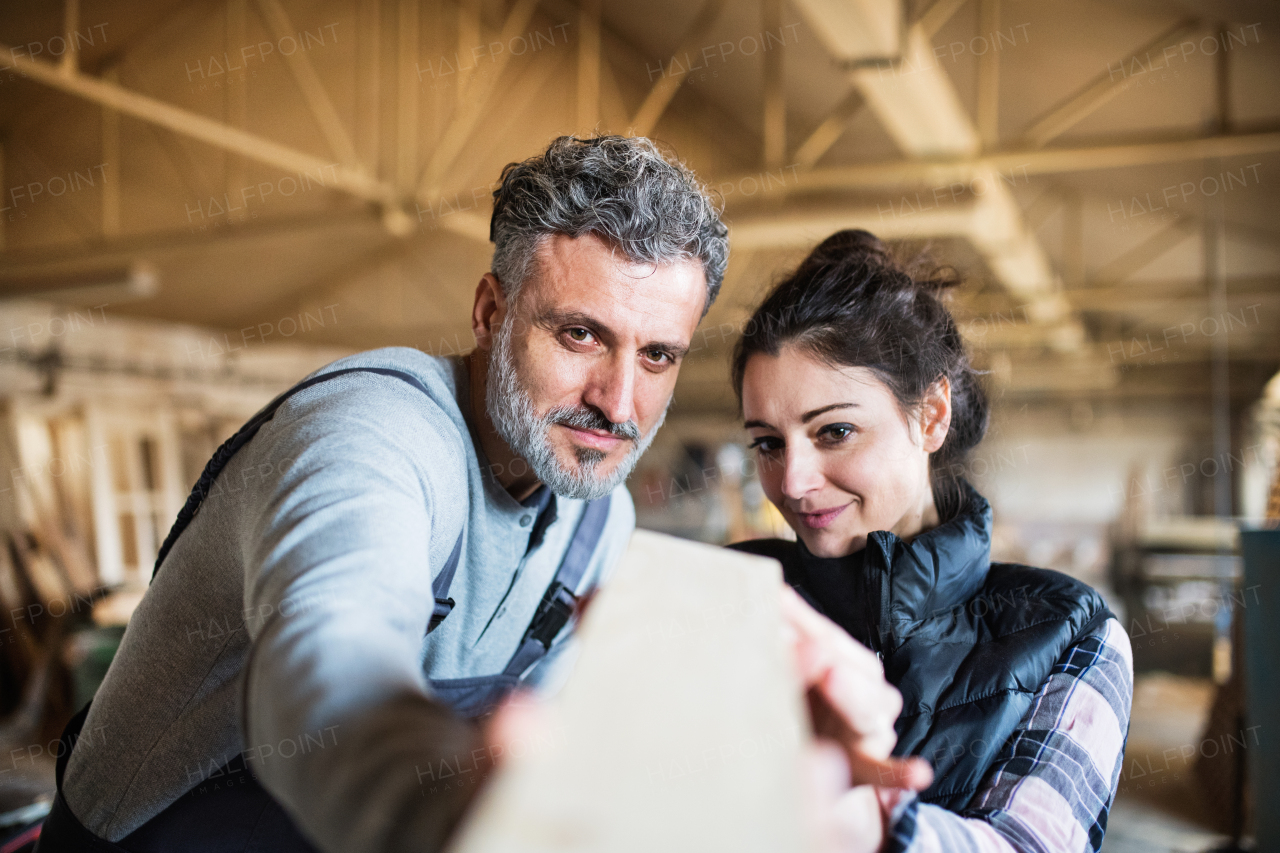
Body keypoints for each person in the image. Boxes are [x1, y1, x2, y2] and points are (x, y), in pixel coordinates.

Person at [36, 139, 922, 853]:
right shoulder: (369, 440)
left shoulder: (594, 511)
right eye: (581, 334)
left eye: (657, 356)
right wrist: (454, 813)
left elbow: (558, 738)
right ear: (491, 312)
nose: (619, 403)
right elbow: (328, 663)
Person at [729, 230, 1134, 853]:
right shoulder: (726, 592)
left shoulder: (1069, 634)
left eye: (835, 431)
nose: (793, 481)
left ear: (931, 415)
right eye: (768, 443)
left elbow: (1032, 844)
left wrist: (873, 826)